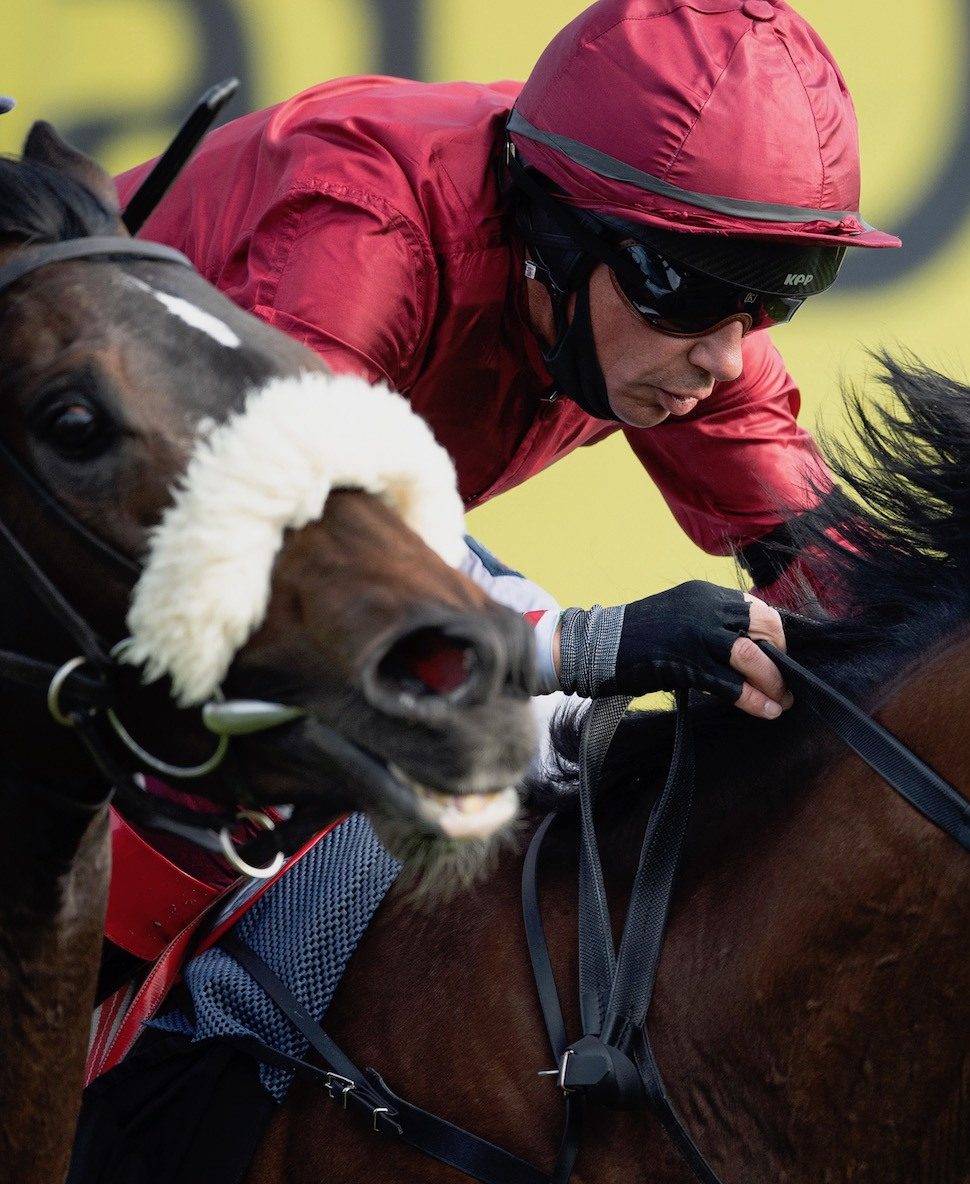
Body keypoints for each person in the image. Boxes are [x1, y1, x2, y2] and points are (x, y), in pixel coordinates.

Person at [100, 0, 896, 975]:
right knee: (387, 736)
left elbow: (854, 597)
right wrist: (587, 647)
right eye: (691, 289)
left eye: (777, 294)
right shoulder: (364, 224)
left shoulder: (666, 326)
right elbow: (295, 577)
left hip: (175, 561)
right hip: (124, 543)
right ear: (557, 238)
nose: (727, 356)